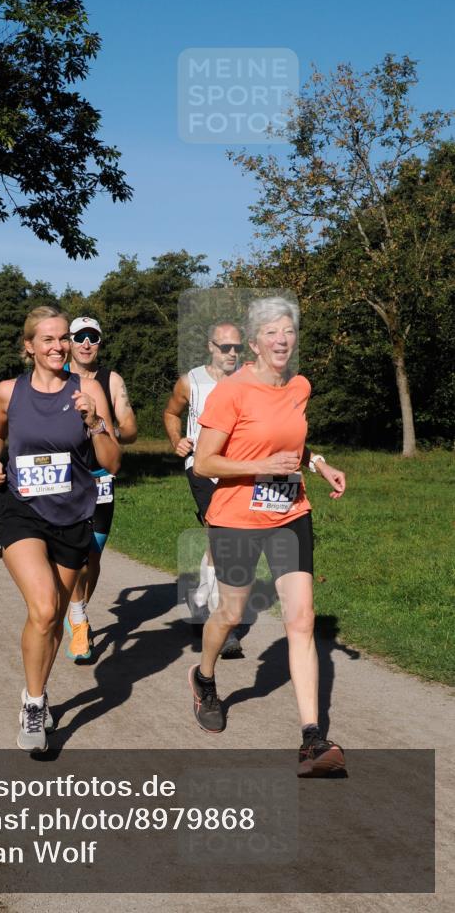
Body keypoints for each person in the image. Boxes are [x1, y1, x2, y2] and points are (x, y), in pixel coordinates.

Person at [188, 296, 347, 777]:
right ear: (254, 343)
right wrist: (260, 466)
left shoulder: (299, 386)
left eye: (289, 331)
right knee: (232, 611)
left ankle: (312, 741)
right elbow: (204, 462)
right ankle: (205, 677)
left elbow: (290, 441)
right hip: (236, 516)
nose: (282, 340)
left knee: (301, 622)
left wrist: (318, 464)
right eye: (272, 333)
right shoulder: (231, 392)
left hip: (290, 513)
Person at [0, 307, 120, 752]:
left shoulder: (88, 388)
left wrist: (94, 422)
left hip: (72, 514)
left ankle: (34, 690)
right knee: (43, 608)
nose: (60, 346)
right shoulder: (8, 392)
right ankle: (35, 704)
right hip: (19, 509)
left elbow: (112, 462)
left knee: (55, 617)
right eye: (48, 340)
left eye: (64, 338)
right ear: (29, 347)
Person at [163, 321, 244, 657]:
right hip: (201, 467)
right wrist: (176, 440)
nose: (232, 353)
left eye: (238, 348)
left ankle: (200, 597)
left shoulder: (251, 381)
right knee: (220, 535)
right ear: (211, 347)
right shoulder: (191, 381)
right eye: (225, 347)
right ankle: (220, 623)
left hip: (238, 468)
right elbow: (171, 413)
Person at [63, 316, 138, 661]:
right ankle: (78, 619)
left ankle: (76, 607)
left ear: (100, 343)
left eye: (93, 337)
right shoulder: (55, 377)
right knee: (74, 557)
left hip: (102, 476)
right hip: (67, 476)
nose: (86, 343)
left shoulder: (111, 380)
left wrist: (107, 433)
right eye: (80, 337)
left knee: (93, 555)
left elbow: (130, 428)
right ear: (70, 341)